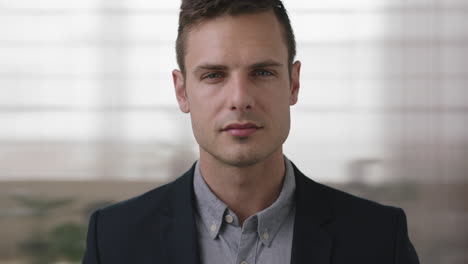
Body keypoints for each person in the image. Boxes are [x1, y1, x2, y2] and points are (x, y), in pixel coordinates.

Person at [82, 0, 420, 263]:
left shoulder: (378, 238)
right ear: (182, 92)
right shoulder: (114, 239)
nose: (240, 99)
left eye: (261, 72)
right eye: (214, 75)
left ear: (294, 83)